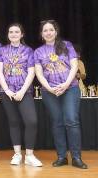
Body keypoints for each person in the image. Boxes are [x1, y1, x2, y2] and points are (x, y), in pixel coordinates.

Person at [34, 20, 87, 169]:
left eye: (51, 30)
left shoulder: (67, 45)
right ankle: (62, 156)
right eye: (45, 30)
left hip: (70, 88)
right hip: (49, 92)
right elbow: (38, 73)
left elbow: (74, 66)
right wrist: (49, 88)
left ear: (56, 32)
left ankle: (76, 157)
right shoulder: (38, 52)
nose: (48, 32)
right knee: (57, 122)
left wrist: (65, 85)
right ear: (42, 34)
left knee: (71, 120)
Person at [0, 23, 42, 167]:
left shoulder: (29, 51)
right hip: (7, 92)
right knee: (14, 122)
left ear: (22, 34)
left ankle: (29, 155)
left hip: (24, 92)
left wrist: (22, 91)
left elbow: (31, 72)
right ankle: (17, 154)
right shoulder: (1, 50)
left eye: (17, 32)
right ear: (8, 35)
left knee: (31, 121)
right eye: (11, 32)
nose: (14, 34)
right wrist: (7, 90)